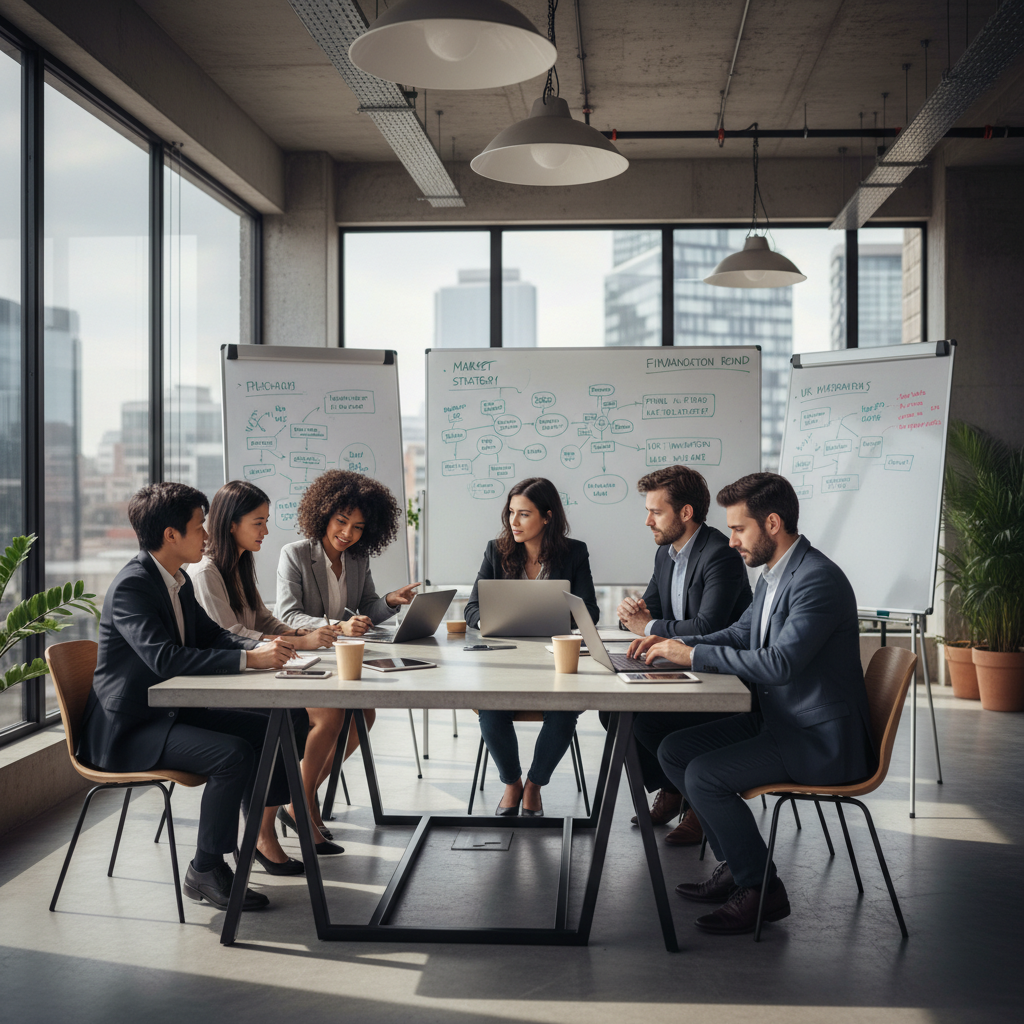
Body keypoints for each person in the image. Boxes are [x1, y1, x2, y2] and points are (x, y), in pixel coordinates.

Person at [628, 473, 876, 935]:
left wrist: (693, 654)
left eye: (739, 529)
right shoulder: (776, 574)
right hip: (780, 722)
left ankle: (761, 889)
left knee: (704, 774)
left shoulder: (817, 580)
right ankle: (737, 865)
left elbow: (781, 663)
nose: (731, 540)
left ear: (773, 523)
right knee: (675, 750)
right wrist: (675, 642)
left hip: (819, 740)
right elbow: (743, 634)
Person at [77, 482, 299, 912]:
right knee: (232, 754)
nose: (207, 535)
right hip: (130, 730)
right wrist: (250, 662)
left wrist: (259, 649)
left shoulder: (176, 580)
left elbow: (212, 635)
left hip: (169, 713)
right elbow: (164, 658)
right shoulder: (132, 586)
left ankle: (258, 831)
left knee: (275, 724)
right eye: (200, 526)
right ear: (170, 535)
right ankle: (206, 867)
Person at [192, 480, 342, 871]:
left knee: (327, 713)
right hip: (225, 683)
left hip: (254, 673)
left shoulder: (240, 563)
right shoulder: (206, 572)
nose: (265, 531)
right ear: (231, 524)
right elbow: (228, 635)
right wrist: (301, 642)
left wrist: (299, 636)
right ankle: (269, 826)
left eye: (266, 521)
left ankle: (285, 812)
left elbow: (262, 619)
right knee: (304, 717)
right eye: (258, 522)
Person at [607, 466, 752, 846]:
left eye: (656, 512)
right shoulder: (666, 554)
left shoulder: (720, 554)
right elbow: (648, 611)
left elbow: (707, 625)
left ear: (685, 513)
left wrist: (649, 626)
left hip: (721, 675)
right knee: (612, 710)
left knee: (648, 720)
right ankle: (674, 789)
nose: (647, 521)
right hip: (680, 666)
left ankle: (696, 804)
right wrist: (631, 618)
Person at [276, 470, 419, 843]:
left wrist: (390, 601)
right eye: (342, 522)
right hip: (304, 657)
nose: (348, 533)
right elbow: (288, 615)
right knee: (332, 715)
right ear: (323, 514)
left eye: (357, 527)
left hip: (340, 659)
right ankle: (300, 804)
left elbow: (364, 606)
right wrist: (338, 628)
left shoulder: (357, 558)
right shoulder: (295, 554)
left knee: (365, 715)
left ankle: (299, 798)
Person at [464, 477, 600, 818]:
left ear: (547, 516)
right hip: (504, 660)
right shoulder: (496, 551)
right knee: (491, 708)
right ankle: (512, 783)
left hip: (555, 657)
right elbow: (471, 608)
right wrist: (489, 621)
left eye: (524, 514)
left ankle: (535, 785)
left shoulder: (575, 552)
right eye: (511, 513)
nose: (513, 522)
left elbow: (591, 612)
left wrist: (558, 618)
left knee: (565, 710)